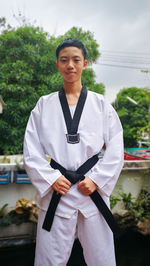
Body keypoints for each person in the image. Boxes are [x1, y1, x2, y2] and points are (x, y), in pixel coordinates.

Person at [23, 39, 124, 266]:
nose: (70, 65)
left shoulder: (101, 104)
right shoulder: (43, 105)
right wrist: (51, 178)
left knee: (102, 259)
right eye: (64, 60)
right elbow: (31, 149)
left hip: (91, 190)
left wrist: (97, 180)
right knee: (49, 259)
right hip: (58, 190)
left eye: (76, 59)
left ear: (85, 64)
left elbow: (116, 148)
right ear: (57, 65)